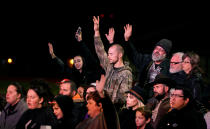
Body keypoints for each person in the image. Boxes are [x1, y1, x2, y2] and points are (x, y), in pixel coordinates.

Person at [93, 16, 133, 110]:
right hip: (104, 107)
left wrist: (102, 94)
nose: (108, 56)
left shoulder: (126, 73)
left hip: (115, 112)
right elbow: (100, 51)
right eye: (108, 54)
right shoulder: (109, 66)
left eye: (111, 54)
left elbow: (123, 98)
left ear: (120, 55)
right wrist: (97, 31)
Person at [123, 24, 172, 98]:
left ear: (165, 54)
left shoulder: (168, 67)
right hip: (141, 96)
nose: (157, 51)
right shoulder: (147, 60)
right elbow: (133, 55)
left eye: (161, 50)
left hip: (156, 98)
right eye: (156, 48)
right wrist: (127, 39)